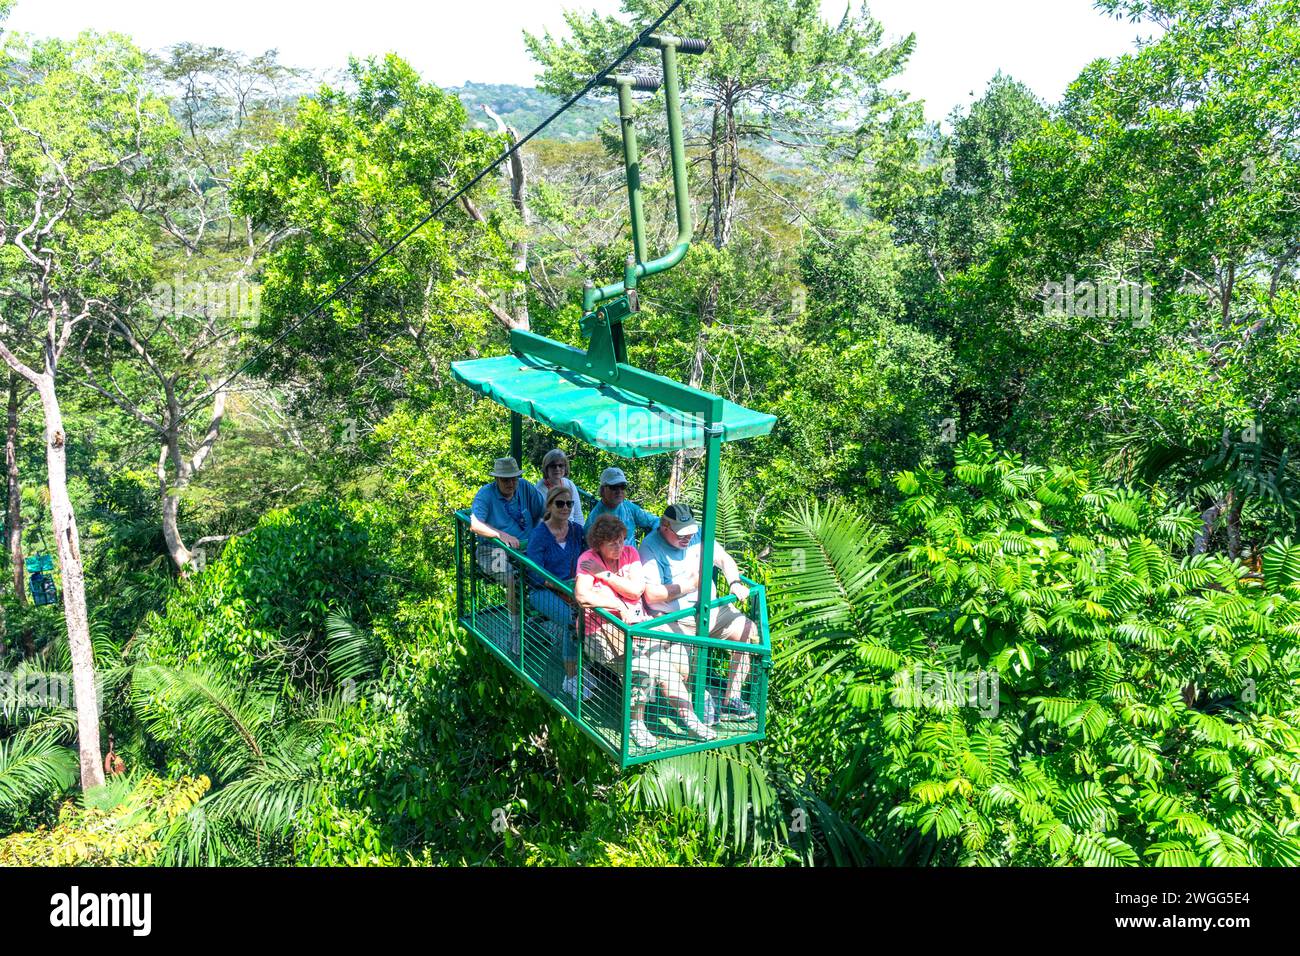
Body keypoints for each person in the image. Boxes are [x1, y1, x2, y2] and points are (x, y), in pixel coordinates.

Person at [574, 513, 716, 749]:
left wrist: (604, 575)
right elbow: (582, 595)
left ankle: (691, 720)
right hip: (599, 630)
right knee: (643, 670)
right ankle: (636, 724)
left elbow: (636, 590)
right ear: (599, 544)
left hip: (636, 626)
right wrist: (617, 605)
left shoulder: (629, 555)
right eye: (612, 543)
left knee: (666, 668)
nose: (619, 546)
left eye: (621, 539)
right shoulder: (587, 558)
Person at [638, 503, 758, 721]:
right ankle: (697, 695)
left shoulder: (698, 533)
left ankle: (730, 699)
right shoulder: (650, 547)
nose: (688, 538)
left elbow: (723, 559)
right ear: (665, 526)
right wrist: (689, 585)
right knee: (680, 663)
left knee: (748, 631)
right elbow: (651, 594)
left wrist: (734, 582)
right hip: (676, 620)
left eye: (691, 532)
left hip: (710, 611)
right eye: (681, 534)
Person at [469, 456, 545, 642]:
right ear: (496, 479)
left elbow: (544, 513)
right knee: (510, 577)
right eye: (505, 479)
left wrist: (538, 536)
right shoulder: (486, 494)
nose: (511, 483)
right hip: (493, 550)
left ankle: (540, 619)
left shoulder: (525, 488)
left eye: (514, 478)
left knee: (547, 571)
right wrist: (500, 535)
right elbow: (475, 524)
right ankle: (515, 631)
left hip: (526, 549)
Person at [525, 482, 587, 698]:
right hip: (543, 591)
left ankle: (584, 667)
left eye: (569, 504)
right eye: (560, 503)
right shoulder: (540, 535)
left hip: (571, 588)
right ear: (549, 506)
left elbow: (590, 554)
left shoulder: (577, 531)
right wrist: (558, 585)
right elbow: (534, 573)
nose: (565, 508)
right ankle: (570, 679)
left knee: (591, 618)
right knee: (572, 624)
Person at [583, 466, 658, 546]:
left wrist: (651, 544)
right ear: (602, 490)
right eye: (614, 487)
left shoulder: (629, 507)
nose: (619, 491)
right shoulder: (594, 520)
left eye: (623, 486)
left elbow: (655, 521)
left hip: (632, 557)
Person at [538, 448, 586, 523]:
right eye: (553, 466)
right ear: (546, 468)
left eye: (561, 465)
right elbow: (538, 520)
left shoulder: (570, 485)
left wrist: (579, 532)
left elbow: (578, 515)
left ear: (565, 467)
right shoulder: (538, 490)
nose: (557, 468)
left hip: (572, 529)